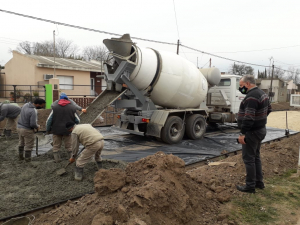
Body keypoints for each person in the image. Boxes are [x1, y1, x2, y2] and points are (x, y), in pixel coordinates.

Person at [236, 75, 272, 193]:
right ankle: (259, 182)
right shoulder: (263, 93)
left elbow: (249, 118)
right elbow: (269, 109)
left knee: (249, 159)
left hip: (252, 132)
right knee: (256, 157)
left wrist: (243, 133)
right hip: (261, 130)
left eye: (241, 85)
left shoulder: (251, 97)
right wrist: (260, 119)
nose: (240, 88)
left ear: (247, 84)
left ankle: (250, 186)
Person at [46, 93, 80, 162]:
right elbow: (78, 120)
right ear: (67, 99)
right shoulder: (72, 108)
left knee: (56, 147)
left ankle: (57, 160)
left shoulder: (54, 108)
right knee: (69, 146)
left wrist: (48, 129)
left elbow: (49, 120)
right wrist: (73, 126)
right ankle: (71, 160)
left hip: (56, 130)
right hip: (68, 131)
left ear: (60, 99)